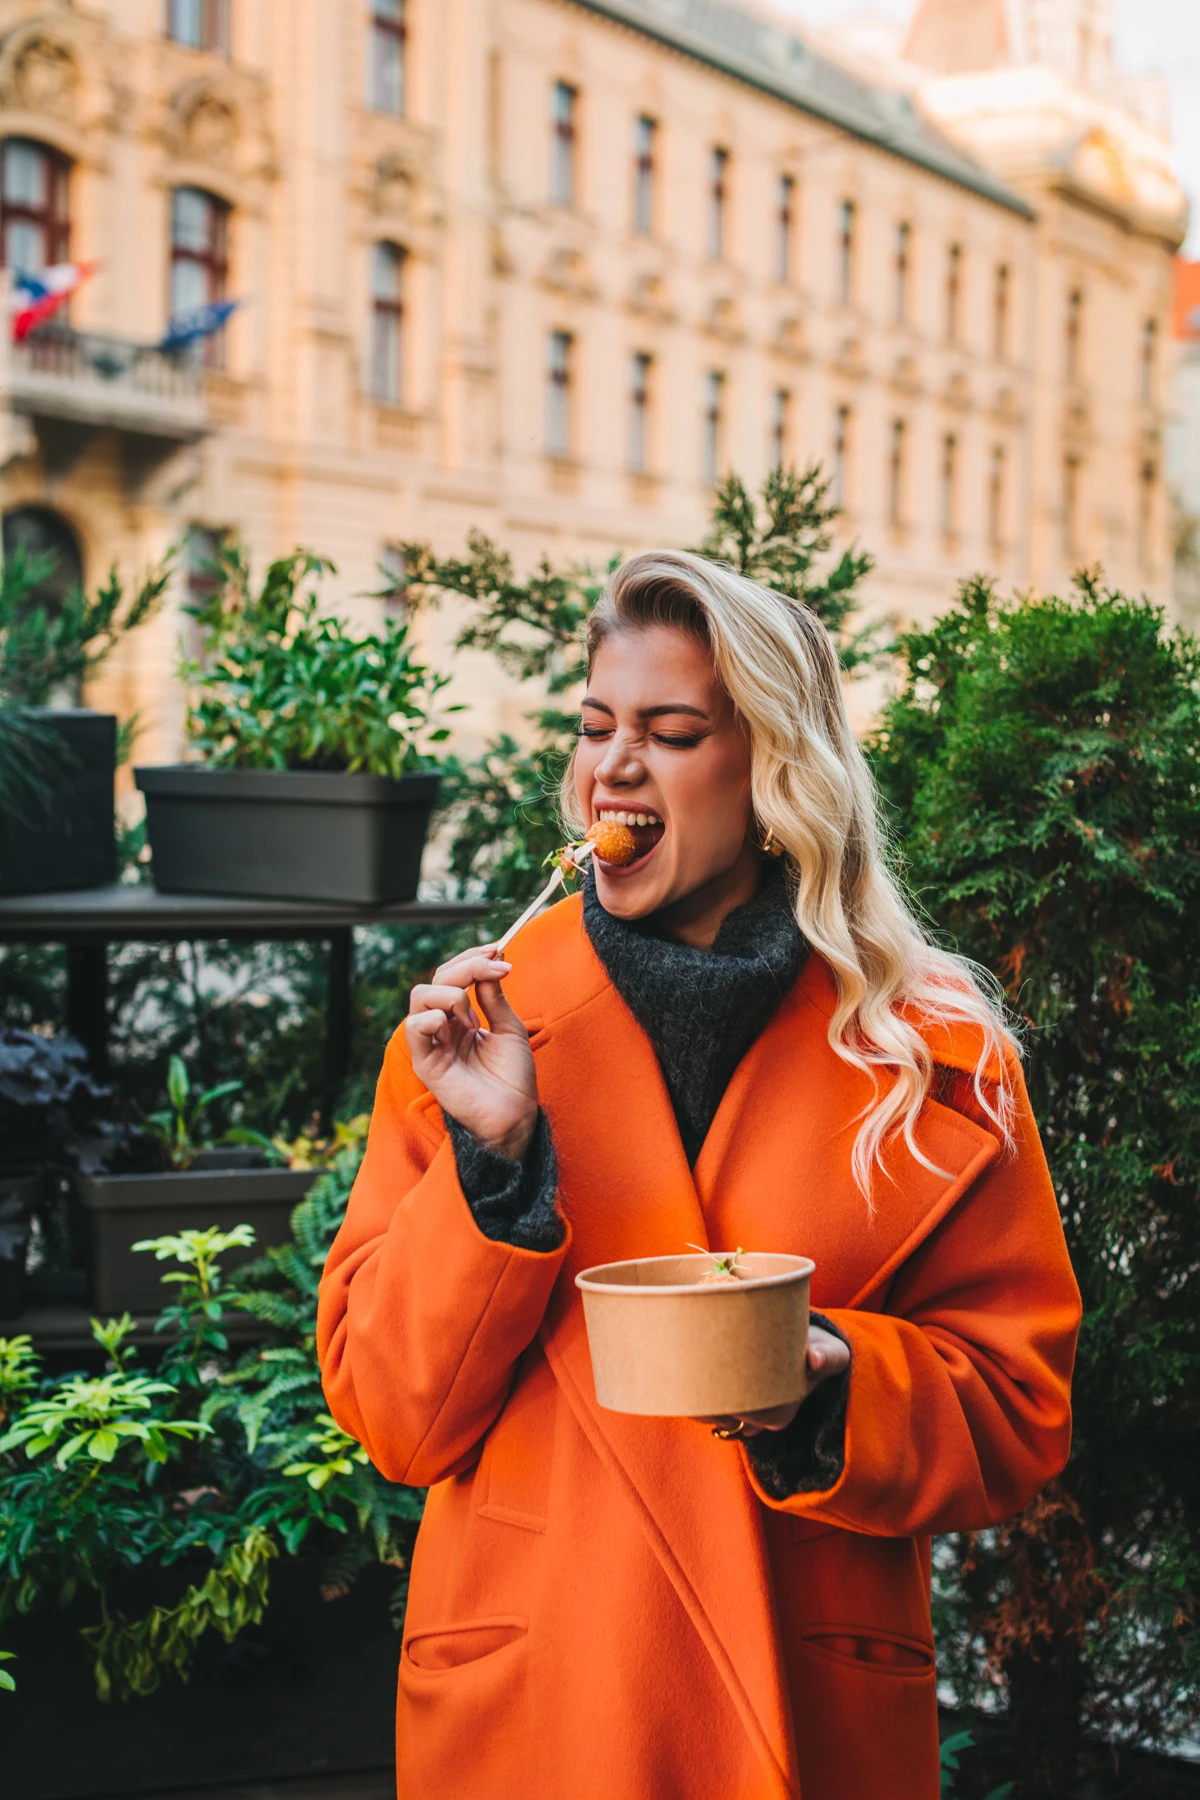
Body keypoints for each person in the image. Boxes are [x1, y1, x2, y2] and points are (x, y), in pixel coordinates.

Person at [317, 550, 1080, 1800]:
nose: (611, 768)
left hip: (800, 1690)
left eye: (670, 733)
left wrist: (835, 1384)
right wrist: (495, 1163)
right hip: (544, 1698)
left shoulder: (930, 1054)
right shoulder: (474, 1039)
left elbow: (1018, 1409)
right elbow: (393, 1420)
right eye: (593, 727)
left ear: (775, 771)